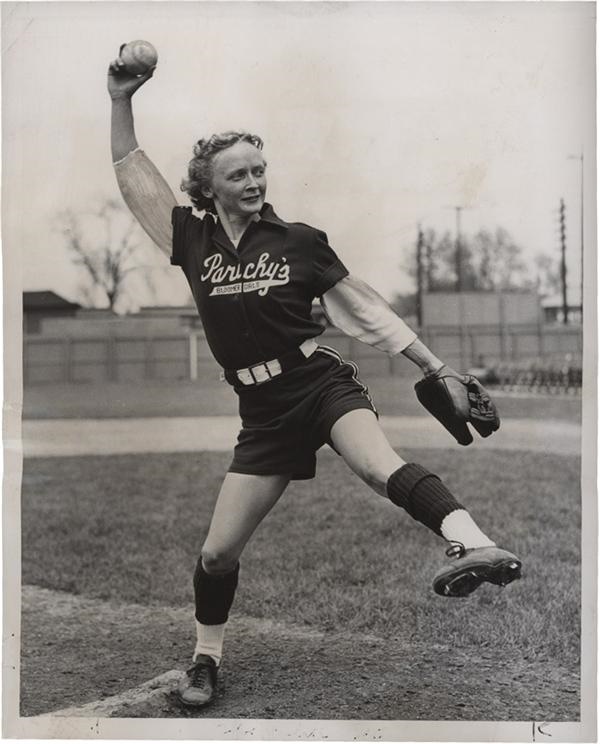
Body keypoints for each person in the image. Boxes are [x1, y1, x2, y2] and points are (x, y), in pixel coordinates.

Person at [107, 51, 521, 710]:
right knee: (217, 554)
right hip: (263, 412)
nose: (252, 180)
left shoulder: (298, 240)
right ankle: (206, 659)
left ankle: (477, 545)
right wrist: (121, 100)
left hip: (317, 382)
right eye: (237, 173)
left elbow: (363, 308)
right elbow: (134, 178)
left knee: (376, 465)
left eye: (258, 169)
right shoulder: (192, 241)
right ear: (209, 187)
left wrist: (434, 367)